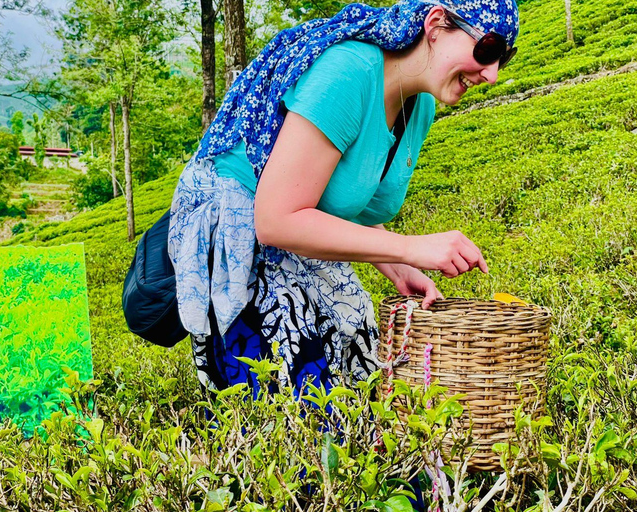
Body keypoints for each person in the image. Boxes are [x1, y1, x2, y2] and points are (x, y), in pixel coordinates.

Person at [169, 0, 518, 418]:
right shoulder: (348, 73)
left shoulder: (420, 104)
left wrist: (399, 268)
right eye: (487, 49)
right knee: (300, 413)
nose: (492, 74)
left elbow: (333, 199)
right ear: (436, 24)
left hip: (295, 231)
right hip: (240, 236)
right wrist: (411, 248)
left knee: (366, 392)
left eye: (503, 58)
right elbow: (275, 220)